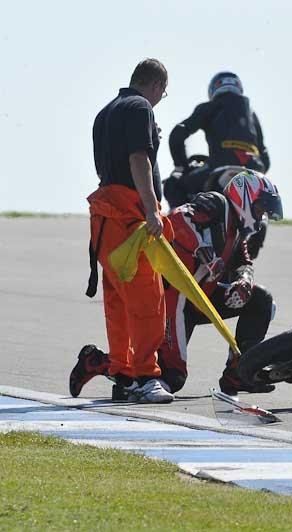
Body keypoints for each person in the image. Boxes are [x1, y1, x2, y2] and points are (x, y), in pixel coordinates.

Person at [70, 170, 283, 398]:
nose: (262, 217)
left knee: (261, 301)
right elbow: (177, 218)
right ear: (245, 197)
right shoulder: (216, 204)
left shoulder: (239, 233)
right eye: (261, 208)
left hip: (199, 300)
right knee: (171, 378)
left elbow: (245, 263)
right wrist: (202, 249)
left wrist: (243, 282)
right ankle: (98, 362)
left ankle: (238, 374)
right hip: (173, 299)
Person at [70, 58, 173, 403]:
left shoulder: (106, 112)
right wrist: (150, 210)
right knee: (147, 301)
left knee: (117, 300)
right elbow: (138, 159)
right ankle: (146, 376)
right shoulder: (141, 107)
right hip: (129, 216)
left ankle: (124, 374)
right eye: (164, 92)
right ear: (156, 85)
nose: (161, 98)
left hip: (103, 218)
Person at [163, 72, 271, 208]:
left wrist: (182, 165)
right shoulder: (252, 115)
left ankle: (184, 227)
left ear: (213, 89)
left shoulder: (210, 107)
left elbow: (178, 133)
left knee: (174, 184)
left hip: (218, 168)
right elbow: (265, 156)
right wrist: (259, 169)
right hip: (254, 169)